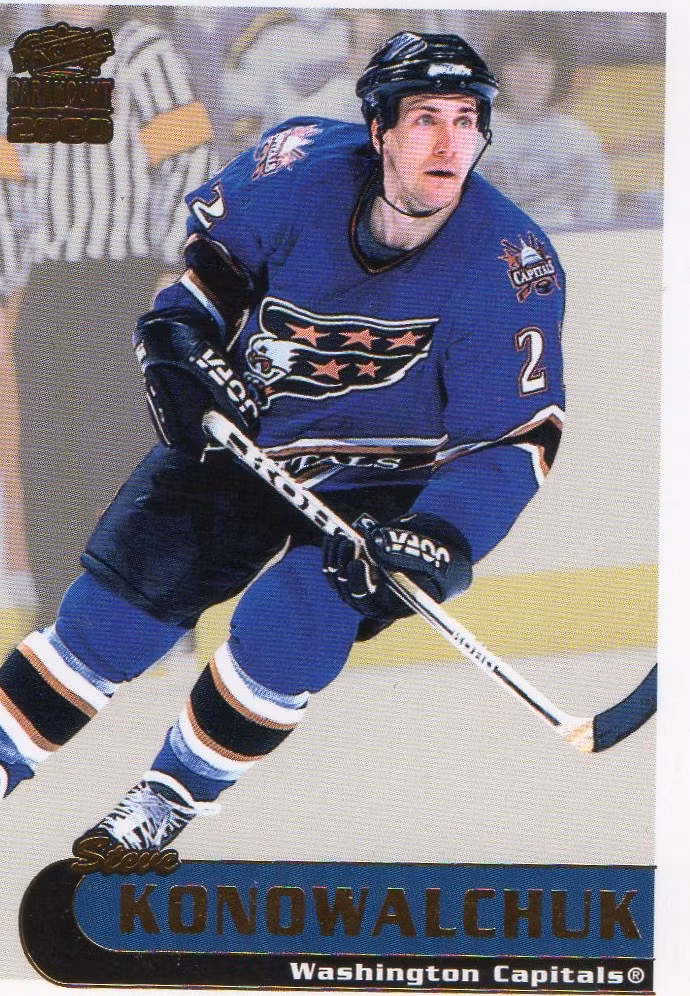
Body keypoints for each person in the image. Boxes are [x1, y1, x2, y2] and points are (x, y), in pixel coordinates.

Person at [0, 32, 566, 853]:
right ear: (378, 129)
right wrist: (180, 337)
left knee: (290, 629)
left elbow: (515, 439)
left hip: (385, 482)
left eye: (466, 120)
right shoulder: (298, 165)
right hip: (247, 435)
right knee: (106, 622)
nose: (450, 143)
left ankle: (169, 797)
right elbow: (214, 273)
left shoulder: (510, 262)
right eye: (425, 119)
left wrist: (443, 534)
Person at [12, 4, 216, 627]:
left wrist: (172, 263)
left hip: (124, 280)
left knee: (126, 451)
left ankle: (139, 611)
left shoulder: (141, 53)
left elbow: (192, 162)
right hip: (50, 285)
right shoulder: (28, 62)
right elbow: (12, 186)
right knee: (50, 459)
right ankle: (59, 615)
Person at [478, 23, 616, 231]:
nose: (529, 75)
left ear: (558, 71)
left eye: (541, 62)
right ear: (498, 71)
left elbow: (600, 211)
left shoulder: (579, 137)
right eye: (516, 62)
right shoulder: (474, 135)